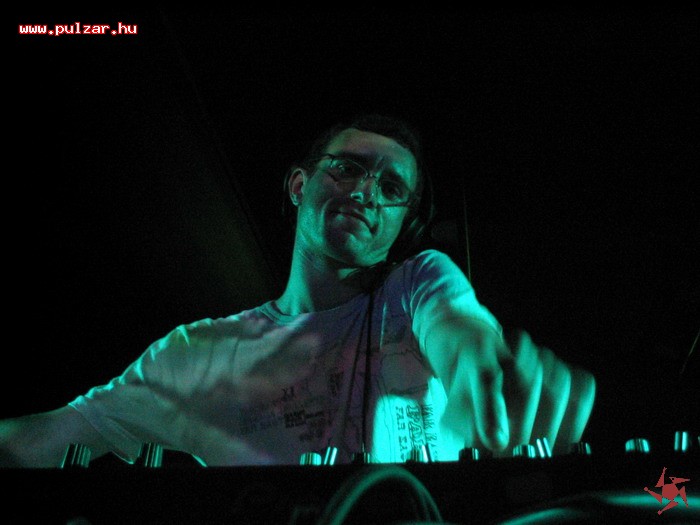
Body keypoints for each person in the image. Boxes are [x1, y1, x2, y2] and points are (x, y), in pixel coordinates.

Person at [0, 114, 596, 468]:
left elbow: (458, 325)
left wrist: (479, 363)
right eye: (347, 168)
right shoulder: (195, 352)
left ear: (402, 228)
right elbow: (45, 440)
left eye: (391, 187)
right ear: (298, 185)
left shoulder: (415, 283)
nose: (365, 191)